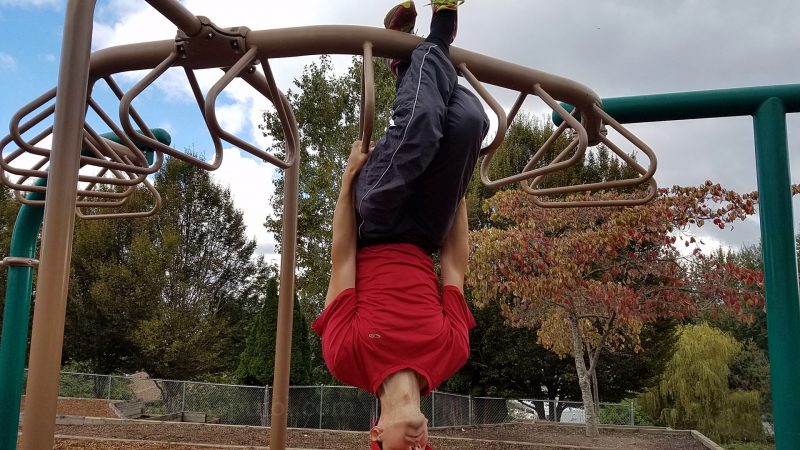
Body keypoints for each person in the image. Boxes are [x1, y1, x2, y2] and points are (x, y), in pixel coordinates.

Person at [311, 2, 489, 449]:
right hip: (427, 231)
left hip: (377, 220)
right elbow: (454, 264)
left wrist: (348, 181)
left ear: (375, 433)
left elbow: (342, 259)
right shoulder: (450, 353)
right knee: (470, 123)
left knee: (421, 129)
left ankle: (440, 28)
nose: (416, 447)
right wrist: (456, 183)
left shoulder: (347, 358)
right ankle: (409, 58)